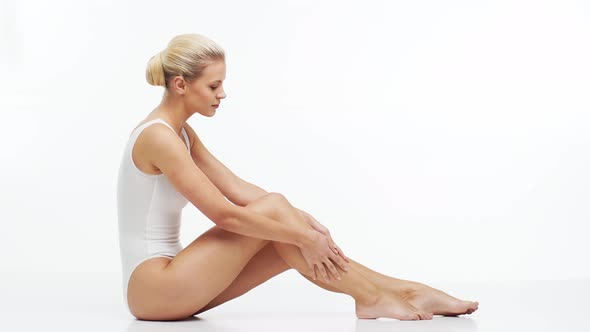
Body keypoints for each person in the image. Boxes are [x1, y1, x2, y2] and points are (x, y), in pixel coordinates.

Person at [116, 33, 479, 321]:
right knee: (278, 218)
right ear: (180, 85)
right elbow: (224, 215)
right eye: (213, 86)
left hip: (176, 285)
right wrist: (301, 233)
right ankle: (370, 298)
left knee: (282, 233)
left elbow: (237, 188)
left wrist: (301, 222)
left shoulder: (181, 133)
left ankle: (405, 290)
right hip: (153, 289)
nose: (222, 94)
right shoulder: (158, 137)